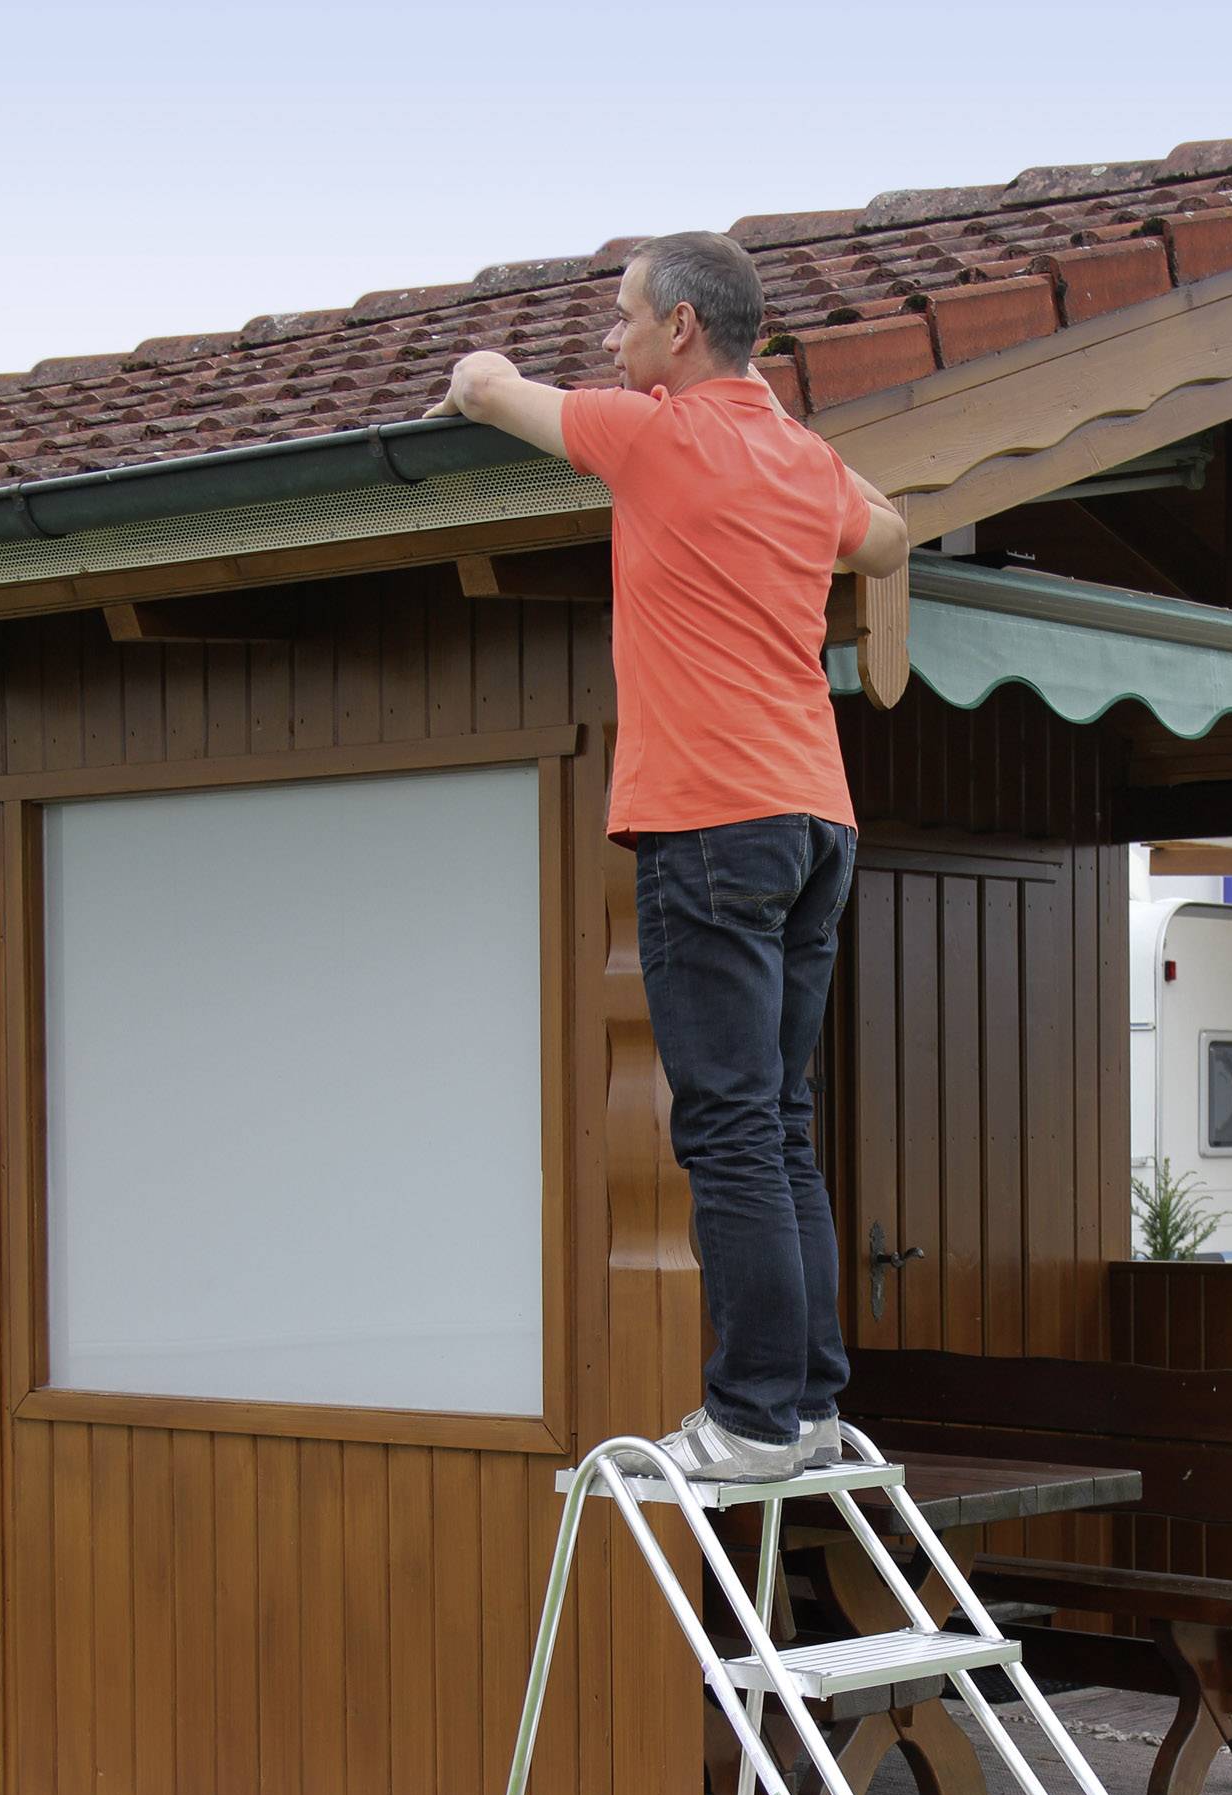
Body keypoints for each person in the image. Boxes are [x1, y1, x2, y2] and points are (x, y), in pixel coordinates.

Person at [426, 231, 908, 1481]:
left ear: (681, 328)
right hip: (817, 819)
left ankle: (751, 1419)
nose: (609, 338)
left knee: (731, 1129)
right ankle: (801, 1407)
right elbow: (891, 538)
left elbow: (484, 386)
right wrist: (804, 462)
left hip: (712, 818)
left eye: (625, 317)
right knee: (780, 1121)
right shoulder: (800, 459)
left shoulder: (649, 435)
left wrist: (474, 365)